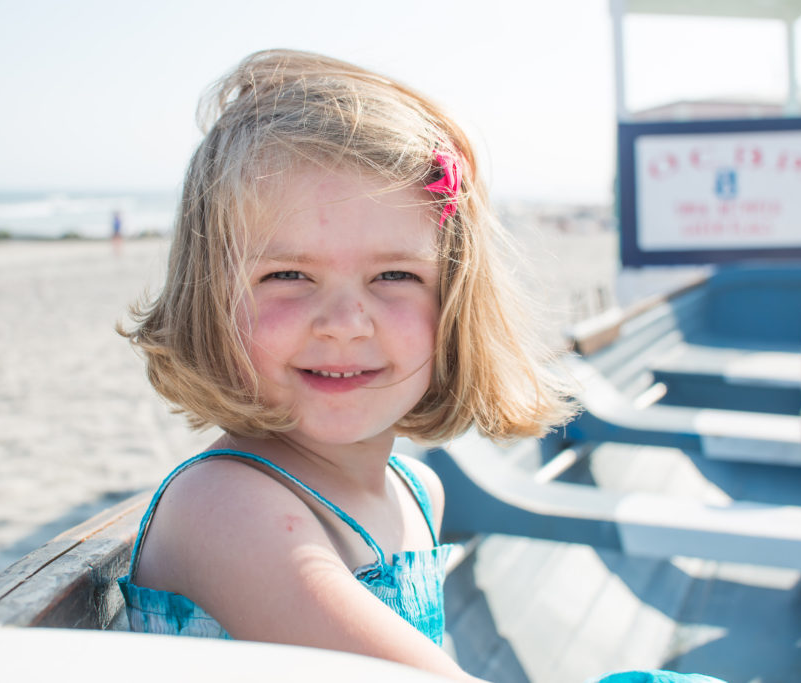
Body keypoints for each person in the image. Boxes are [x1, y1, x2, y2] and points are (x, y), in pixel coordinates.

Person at [116, 50, 718, 683]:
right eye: (287, 275)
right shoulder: (228, 510)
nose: (346, 321)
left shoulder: (415, 490)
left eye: (394, 275)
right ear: (208, 298)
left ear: (453, 301)